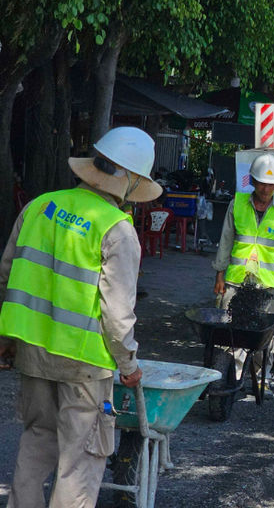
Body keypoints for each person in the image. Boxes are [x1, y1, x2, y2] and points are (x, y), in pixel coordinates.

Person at [0, 126, 161, 508]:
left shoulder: (38, 207)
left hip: (33, 354)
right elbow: (118, 313)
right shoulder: (117, 229)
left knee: (36, 441)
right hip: (85, 364)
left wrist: (6, 341)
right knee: (79, 461)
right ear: (131, 180)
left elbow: (7, 277)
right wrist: (129, 363)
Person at [212, 153, 274, 393]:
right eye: (262, 183)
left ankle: (259, 380)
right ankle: (232, 376)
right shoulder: (237, 203)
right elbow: (226, 241)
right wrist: (219, 275)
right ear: (252, 181)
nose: (266, 188)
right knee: (231, 331)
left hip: (269, 284)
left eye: (271, 184)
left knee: (266, 334)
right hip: (236, 280)